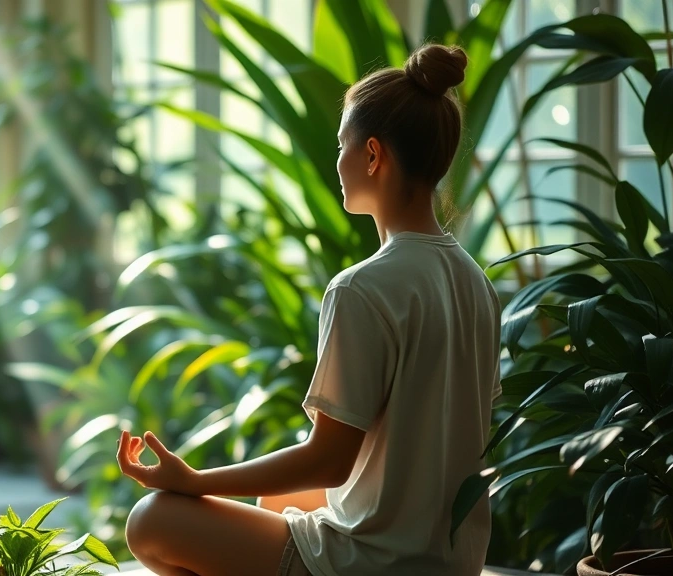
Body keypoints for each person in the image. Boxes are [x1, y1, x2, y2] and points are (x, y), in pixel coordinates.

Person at [117, 43, 502, 576]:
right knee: (277, 504)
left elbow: (329, 459)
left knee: (150, 521)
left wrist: (196, 481)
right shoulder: (475, 282)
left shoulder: (363, 288)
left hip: (377, 562)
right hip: (450, 560)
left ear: (372, 155)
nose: (336, 161)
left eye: (341, 144)